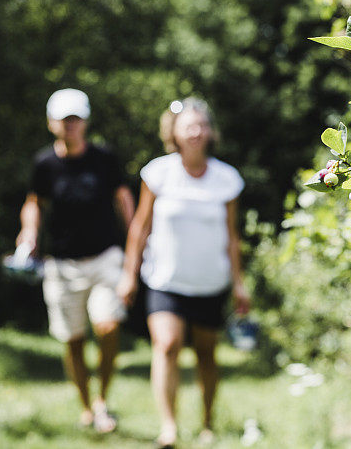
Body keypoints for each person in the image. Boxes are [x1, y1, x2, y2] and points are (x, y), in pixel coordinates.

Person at [117, 97, 251, 448]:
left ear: (210, 132)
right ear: (173, 132)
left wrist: (239, 283)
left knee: (206, 354)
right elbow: (139, 228)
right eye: (188, 125)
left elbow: (232, 236)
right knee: (166, 345)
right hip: (165, 281)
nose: (195, 131)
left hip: (211, 282)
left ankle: (207, 423)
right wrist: (129, 274)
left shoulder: (226, 178)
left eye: (201, 125)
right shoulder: (157, 173)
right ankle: (169, 427)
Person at [16, 88, 135, 433]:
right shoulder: (45, 164)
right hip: (63, 265)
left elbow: (123, 198)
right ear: (52, 123)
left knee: (108, 324)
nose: (70, 126)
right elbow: (34, 202)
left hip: (105, 257)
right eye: (64, 119)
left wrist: (135, 243)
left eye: (76, 119)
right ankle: (87, 405)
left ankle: (102, 398)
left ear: (85, 122)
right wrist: (29, 232)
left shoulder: (104, 158)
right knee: (74, 340)